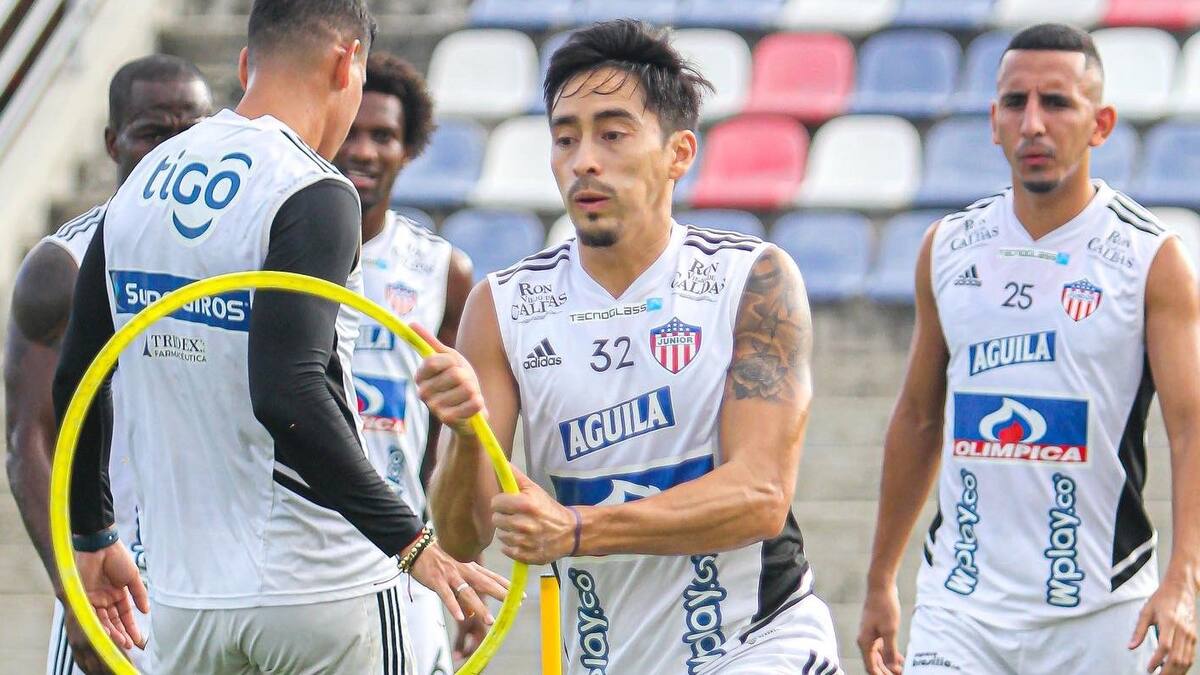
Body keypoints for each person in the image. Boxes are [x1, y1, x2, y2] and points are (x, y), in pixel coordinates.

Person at [50, 1, 506, 672]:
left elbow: (78, 376)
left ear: (245, 64)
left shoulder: (143, 179)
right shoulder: (312, 187)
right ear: (347, 63)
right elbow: (288, 392)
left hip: (185, 599)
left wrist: (92, 532)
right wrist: (411, 541)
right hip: (321, 586)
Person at [421, 19, 843, 674]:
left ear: (679, 153)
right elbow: (462, 535)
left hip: (759, 643)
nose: (584, 160)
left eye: (612, 134)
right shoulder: (502, 305)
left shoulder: (752, 279)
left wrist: (577, 529)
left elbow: (760, 495)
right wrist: (464, 434)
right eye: (566, 138)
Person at [857, 23, 1199, 675]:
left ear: (1101, 124)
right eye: (1016, 102)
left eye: (1057, 103)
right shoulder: (948, 247)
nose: (1033, 124)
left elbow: (1191, 427)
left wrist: (1184, 578)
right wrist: (880, 577)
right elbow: (919, 417)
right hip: (959, 608)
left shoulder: (1152, 258)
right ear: (993, 121)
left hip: (1100, 609)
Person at [5, 54, 213, 675]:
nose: (173, 149)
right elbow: (31, 441)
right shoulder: (63, 265)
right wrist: (75, 588)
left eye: (191, 131)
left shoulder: (244, 255)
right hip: (113, 582)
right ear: (112, 142)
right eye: (152, 131)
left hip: (226, 585)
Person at [331, 51, 478, 673]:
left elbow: (451, 434)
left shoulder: (442, 270)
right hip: (299, 539)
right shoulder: (268, 254)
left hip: (403, 544)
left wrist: (462, 563)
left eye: (383, 135)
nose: (364, 151)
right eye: (350, 132)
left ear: (408, 148)